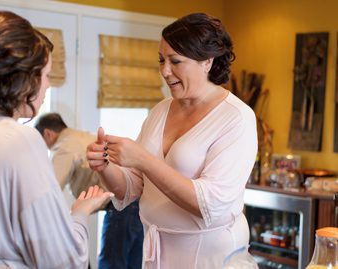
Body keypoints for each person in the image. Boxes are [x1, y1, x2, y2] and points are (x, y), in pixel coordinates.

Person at [0, 11, 113, 269]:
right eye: (47, 75)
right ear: (23, 78)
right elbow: (62, 261)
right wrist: (80, 213)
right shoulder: (19, 140)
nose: (48, 86)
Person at [86, 13, 257, 268]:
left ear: (207, 61)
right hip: (158, 254)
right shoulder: (160, 111)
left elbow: (209, 205)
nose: (165, 71)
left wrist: (143, 159)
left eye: (175, 61)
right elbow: (131, 188)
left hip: (210, 258)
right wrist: (106, 167)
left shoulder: (236, 117)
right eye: (161, 60)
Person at [35, 113, 144, 269]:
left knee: (110, 264)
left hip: (121, 204)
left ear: (48, 134)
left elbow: (50, 189)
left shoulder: (64, 146)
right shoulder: (82, 136)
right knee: (134, 263)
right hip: (137, 200)